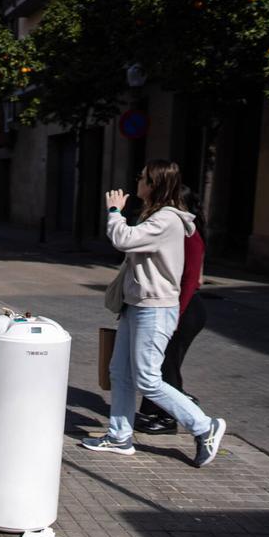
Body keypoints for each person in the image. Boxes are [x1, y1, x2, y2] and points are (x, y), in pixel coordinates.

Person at [82, 160, 227, 467]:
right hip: (137, 305)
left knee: (148, 379)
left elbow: (123, 240)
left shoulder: (167, 219)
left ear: (154, 184)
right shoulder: (155, 215)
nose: (138, 180)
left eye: (143, 177)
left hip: (155, 309)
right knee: (119, 372)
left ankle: (204, 426)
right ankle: (119, 437)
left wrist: (114, 211)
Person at [136, 186, 206, 434]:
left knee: (167, 364)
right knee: (162, 363)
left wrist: (176, 314)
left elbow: (192, 279)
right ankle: (156, 410)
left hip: (184, 309)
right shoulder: (174, 229)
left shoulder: (189, 233)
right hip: (176, 307)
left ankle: (169, 418)